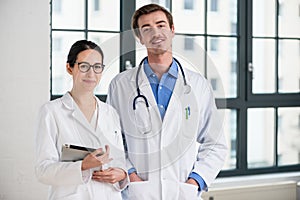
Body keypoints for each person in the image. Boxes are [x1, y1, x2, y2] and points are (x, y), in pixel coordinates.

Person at [107, 4, 228, 200]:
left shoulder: (197, 85)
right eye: (146, 29)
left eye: (161, 25)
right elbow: (112, 141)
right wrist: (131, 175)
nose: (155, 32)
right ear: (139, 37)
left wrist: (194, 182)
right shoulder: (120, 85)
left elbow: (215, 144)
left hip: (182, 192)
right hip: (138, 192)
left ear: (172, 30)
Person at [35, 40, 128, 200]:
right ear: (69, 68)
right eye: (84, 66)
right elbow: (43, 171)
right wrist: (83, 166)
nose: (91, 74)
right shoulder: (51, 112)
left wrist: (121, 174)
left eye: (97, 67)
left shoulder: (110, 113)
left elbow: (119, 161)